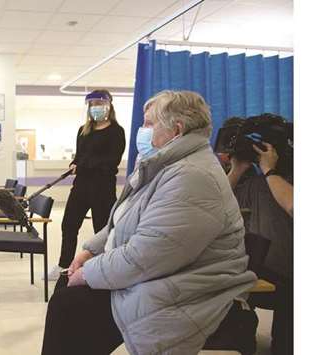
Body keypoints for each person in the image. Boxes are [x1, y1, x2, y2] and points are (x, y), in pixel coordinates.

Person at [41, 90, 257, 355]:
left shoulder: (192, 176)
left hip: (188, 287)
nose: (142, 131)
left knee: (70, 305)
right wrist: (89, 251)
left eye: (148, 124)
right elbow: (120, 222)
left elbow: (145, 256)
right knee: (67, 293)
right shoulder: (163, 166)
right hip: (162, 273)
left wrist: (88, 273)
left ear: (176, 130)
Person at [226, 114, 293, 355]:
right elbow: (211, 207)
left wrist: (269, 171)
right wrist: (237, 170)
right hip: (255, 273)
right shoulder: (253, 185)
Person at [46, 89, 126, 280]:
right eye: (92, 105)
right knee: (69, 225)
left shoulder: (116, 131)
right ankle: (64, 265)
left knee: (102, 229)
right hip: (81, 186)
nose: (95, 108)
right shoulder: (83, 130)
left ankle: (104, 266)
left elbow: (111, 161)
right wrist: (75, 163)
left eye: (99, 104)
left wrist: (83, 165)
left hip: (103, 188)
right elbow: (80, 156)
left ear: (108, 106)